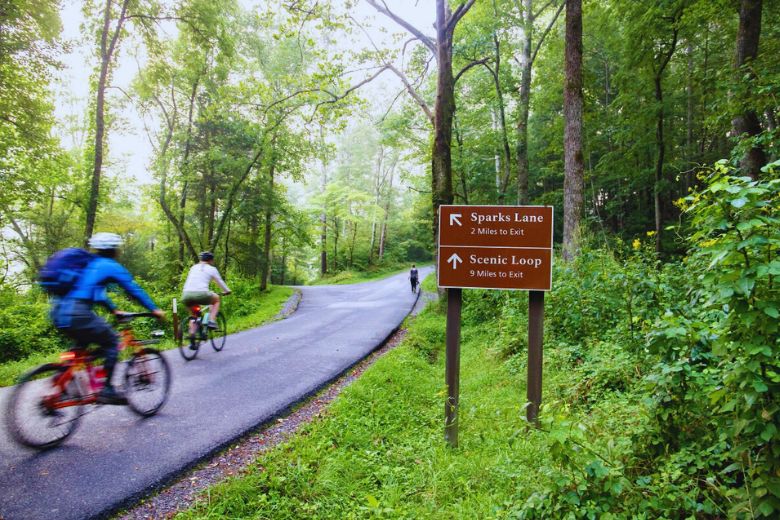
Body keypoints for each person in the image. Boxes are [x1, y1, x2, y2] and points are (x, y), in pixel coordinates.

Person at [50, 232, 165, 405]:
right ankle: (107, 390)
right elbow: (133, 290)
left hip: (59, 312)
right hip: (78, 313)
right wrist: (154, 309)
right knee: (111, 342)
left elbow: (98, 295)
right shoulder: (110, 265)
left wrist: (114, 310)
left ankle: (62, 380)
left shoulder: (88, 264)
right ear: (114, 249)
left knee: (82, 348)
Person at [181, 252, 231, 347]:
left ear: (201, 260)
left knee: (194, 315)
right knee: (216, 300)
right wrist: (227, 291)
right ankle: (212, 320)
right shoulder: (212, 269)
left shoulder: (193, 267)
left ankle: (192, 335)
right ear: (211, 260)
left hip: (186, 295)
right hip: (202, 294)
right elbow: (219, 282)